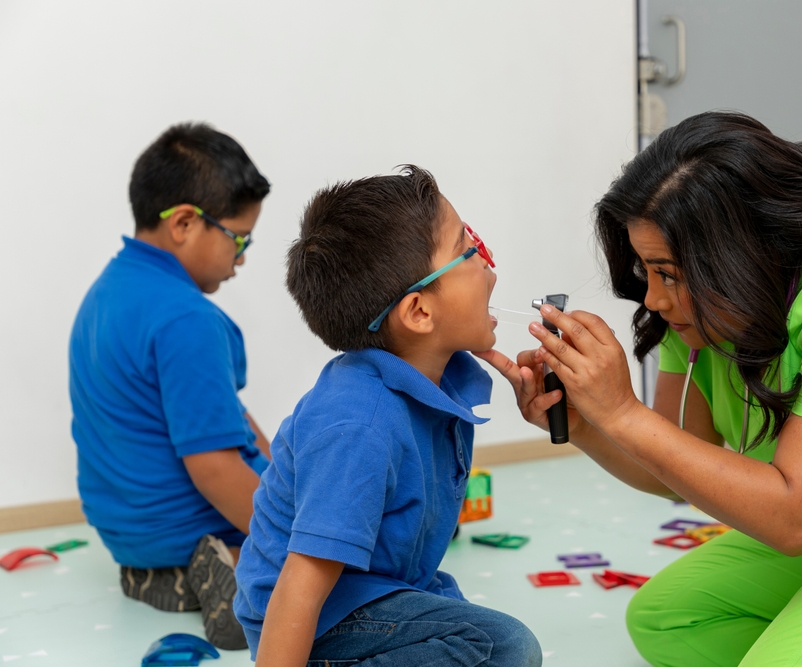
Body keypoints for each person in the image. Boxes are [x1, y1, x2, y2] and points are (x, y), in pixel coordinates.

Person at [479, 112, 802, 667]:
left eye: (669, 273)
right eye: (647, 271)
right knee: (670, 619)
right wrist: (590, 424)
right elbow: (676, 468)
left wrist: (625, 412)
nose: (653, 299)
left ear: (739, 255)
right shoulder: (706, 308)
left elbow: (796, 518)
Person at [233, 166, 542, 667]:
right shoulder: (360, 423)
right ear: (419, 312)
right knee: (502, 647)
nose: (491, 267)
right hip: (319, 621)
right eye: (470, 251)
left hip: (380, 591)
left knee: (479, 635)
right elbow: (301, 584)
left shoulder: (439, 377)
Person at [69, 123, 272, 650]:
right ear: (184, 222)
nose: (243, 257)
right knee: (341, 561)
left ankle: (167, 575)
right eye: (239, 237)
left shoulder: (105, 294)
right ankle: (234, 567)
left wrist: (281, 473)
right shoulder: (187, 319)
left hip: (130, 534)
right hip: (193, 522)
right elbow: (213, 466)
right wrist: (293, 535)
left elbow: (226, 413)